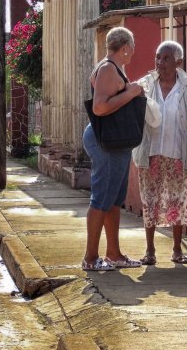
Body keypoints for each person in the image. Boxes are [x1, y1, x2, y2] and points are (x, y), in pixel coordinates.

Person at [132, 41, 187, 265]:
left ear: (178, 62)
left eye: (165, 58)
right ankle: (150, 251)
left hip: (178, 154)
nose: (160, 62)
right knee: (150, 201)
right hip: (151, 152)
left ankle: (177, 251)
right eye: (158, 57)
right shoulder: (146, 84)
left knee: (177, 202)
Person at [82, 26, 144, 271]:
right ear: (126, 47)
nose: (133, 53)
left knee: (114, 199)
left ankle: (114, 254)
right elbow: (99, 108)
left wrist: (131, 90)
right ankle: (89, 258)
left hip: (116, 141)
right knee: (101, 198)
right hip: (105, 141)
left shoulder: (114, 68)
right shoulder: (108, 68)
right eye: (133, 48)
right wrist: (131, 93)